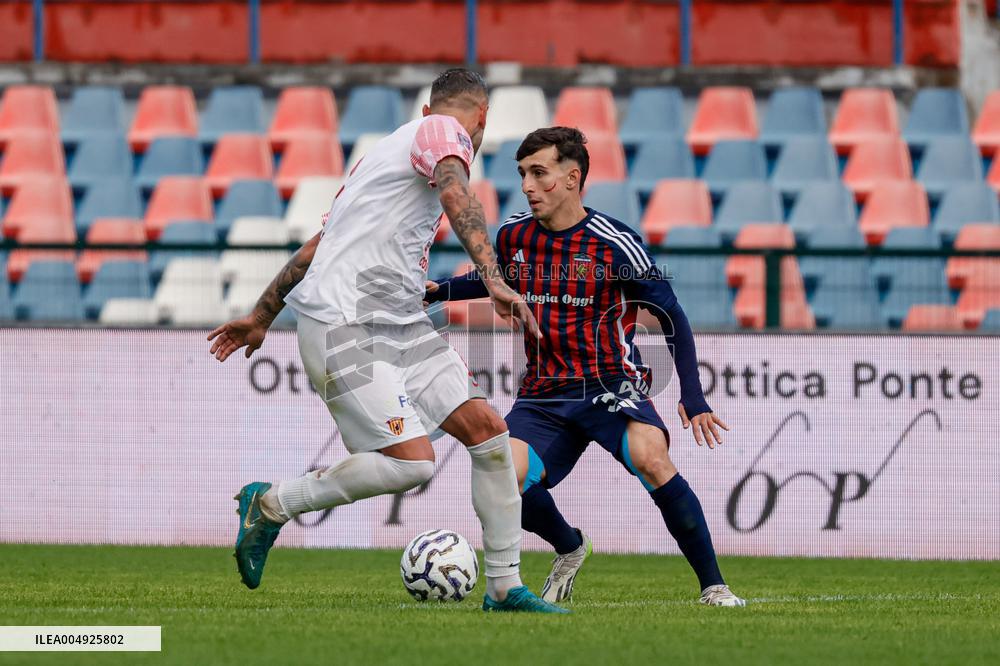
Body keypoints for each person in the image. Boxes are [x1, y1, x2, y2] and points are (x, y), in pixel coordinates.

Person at [208, 69, 567, 613]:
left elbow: (319, 245)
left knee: (489, 434)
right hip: (344, 323)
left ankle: (504, 589)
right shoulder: (443, 134)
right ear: (479, 119)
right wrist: (493, 276)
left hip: (400, 323)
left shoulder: (378, 163)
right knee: (413, 463)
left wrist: (262, 314)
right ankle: (273, 504)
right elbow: (455, 187)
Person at [424, 126, 746, 607]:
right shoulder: (514, 235)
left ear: (572, 178)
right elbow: (495, 280)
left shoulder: (615, 244)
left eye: (539, 173)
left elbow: (671, 314)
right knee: (502, 473)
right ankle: (569, 546)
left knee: (651, 457)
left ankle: (714, 587)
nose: (528, 186)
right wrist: (442, 290)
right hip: (544, 393)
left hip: (609, 387)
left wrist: (692, 394)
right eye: (522, 175)